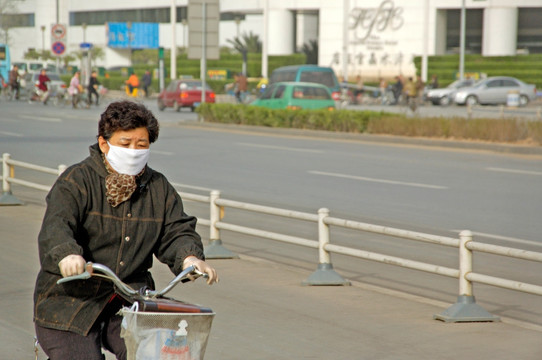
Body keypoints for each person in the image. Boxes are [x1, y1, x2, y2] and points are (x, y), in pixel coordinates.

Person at [33, 100, 218, 360]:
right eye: (125, 143)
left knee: (156, 354)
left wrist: (190, 257)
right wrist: (68, 256)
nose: (134, 151)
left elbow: (176, 230)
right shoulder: (76, 181)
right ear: (103, 143)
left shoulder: (159, 188)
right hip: (70, 302)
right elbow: (57, 226)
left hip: (128, 300)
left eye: (141, 145)